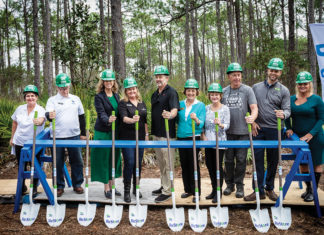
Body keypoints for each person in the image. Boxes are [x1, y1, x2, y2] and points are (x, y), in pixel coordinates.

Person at [244, 58, 291, 202]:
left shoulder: (284, 90)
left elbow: (288, 109)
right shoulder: (255, 87)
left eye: (276, 71)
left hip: (275, 130)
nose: (273, 73)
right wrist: (252, 123)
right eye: (271, 70)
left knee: (272, 160)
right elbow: (249, 107)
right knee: (257, 160)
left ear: (280, 72)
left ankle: (269, 188)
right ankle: (257, 190)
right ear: (267, 70)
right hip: (258, 130)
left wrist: (284, 114)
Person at [285, 71, 324, 202]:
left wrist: (311, 134)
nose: (302, 86)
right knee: (302, 162)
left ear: (310, 84)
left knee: (316, 163)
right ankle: (308, 189)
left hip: (315, 137)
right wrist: (289, 128)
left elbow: (321, 119)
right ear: (297, 84)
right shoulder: (291, 99)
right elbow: (286, 115)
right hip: (298, 138)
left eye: (305, 84)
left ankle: (313, 190)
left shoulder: (316, 100)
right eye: (300, 84)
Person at [222, 62, 258, 198]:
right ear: (229, 76)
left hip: (243, 132)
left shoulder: (248, 90)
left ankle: (239, 186)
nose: (236, 78)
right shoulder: (224, 92)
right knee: (228, 160)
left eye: (238, 75)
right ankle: (229, 185)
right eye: (233, 75)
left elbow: (254, 108)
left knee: (241, 160)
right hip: (227, 132)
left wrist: (252, 118)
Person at [46, 73, 85, 197]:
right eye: (62, 88)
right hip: (57, 136)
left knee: (77, 161)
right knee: (57, 162)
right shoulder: (52, 100)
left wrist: (83, 133)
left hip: (74, 135)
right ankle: (59, 186)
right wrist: (49, 116)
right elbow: (48, 114)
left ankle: (77, 184)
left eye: (66, 87)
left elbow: (81, 116)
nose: (65, 90)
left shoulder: (76, 98)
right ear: (57, 87)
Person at [90, 69, 122, 199]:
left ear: (113, 81)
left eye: (110, 80)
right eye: (106, 80)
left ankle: (113, 185)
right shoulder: (99, 97)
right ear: (102, 82)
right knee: (104, 159)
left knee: (114, 158)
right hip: (103, 132)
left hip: (116, 132)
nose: (108, 82)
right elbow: (101, 113)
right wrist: (108, 120)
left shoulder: (116, 95)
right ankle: (106, 188)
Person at [151, 65, 180, 203]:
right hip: (156, 134)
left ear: (166, 78)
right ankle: (164, 185)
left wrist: (170, 114)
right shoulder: (154, 94)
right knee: (161, 163)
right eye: (156, 76)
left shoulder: (171, 92)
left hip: (168, 134)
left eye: (161, 76)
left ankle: (168, 191)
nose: (158, 79)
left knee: (168, 163)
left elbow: (175, 109)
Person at [10, 85, 45, 196]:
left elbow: (42, 120)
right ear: (25, 97)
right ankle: (22, 186)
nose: (30, 98)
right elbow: (15, 123)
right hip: (20, 142)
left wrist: (39, 121)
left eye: (32, 96)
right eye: (28, 96)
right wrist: (12, 137)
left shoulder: (40, 110)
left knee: (35, 165)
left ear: (37, 97)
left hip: (34, 142)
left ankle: (34, 186)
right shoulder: (20, 109)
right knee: (22, 165)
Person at [119, 77, 149, 203]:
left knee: (137, 164)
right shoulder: (123, 103)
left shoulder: (142, 103)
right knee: (130, 163)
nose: (132, 91)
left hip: (140, 138)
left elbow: (145, 121)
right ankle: (127, 190)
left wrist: (147, 135)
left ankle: (136, 188)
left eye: (133, 89)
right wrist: (132, 120)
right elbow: (124, 118)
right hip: (127, 139)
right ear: (126, 91)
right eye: (129, 89)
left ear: (137, 89)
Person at [177, 78, 206, 202]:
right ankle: (188, 190)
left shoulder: (200, 105)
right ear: (185, 91)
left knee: (194, 165)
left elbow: (202, 123)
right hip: (181, 137)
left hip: (194, 137)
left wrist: (197, 120)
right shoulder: (180, 104)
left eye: (193, 91)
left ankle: (196, 192)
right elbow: (176, 119)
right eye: (188, 90)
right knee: (184, 165)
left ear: (196, 92)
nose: (191, 93)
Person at [202, 83, 230, 203]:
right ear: (209, 96)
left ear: (220, 95)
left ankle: (219, 192)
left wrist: (221, 124)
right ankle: (214, 190)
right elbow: (202, 125)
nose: (214, 97)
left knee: (218, 167)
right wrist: (203, 136)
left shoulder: (225, 109)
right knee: (210, 166)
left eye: (216, 94)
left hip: (220, 142)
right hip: (208, 142)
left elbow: (228, 125)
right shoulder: (206, 108)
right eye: (212, 94)